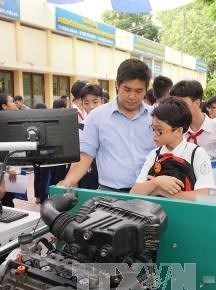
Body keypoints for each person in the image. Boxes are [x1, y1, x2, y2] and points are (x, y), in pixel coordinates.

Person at [58, 59, 154, 191]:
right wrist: (68, 182)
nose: (132, 96)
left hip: (150, 193)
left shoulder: (155, 116)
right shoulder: (97, 117)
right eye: (127, 89)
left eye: (139, 91)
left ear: (146, 89)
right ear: (117, 85)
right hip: (110, 193)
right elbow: (85, 156)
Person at [131, 97, 215, 200]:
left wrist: (159, 190)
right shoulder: (154, 154)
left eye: (159, 130)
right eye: (153, 128)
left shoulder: (197, 154)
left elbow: (202, 196)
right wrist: (157, 182)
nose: (154, 134)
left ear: (178, 131)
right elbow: (134, 192)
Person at [170, 80, 216, 197]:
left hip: (213, 199)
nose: (176, 108)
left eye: (181, 103)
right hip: (184, 198)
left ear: (197, 103)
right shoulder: (177, 132)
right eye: (174, 103)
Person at [0, 93, 19, 207]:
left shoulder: (8, 121)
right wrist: (1, 182)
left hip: (6, 172)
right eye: (12, 101)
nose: (15, 104)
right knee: (5, 203)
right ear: (4, 106)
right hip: (2, 174)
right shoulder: (0, 124)